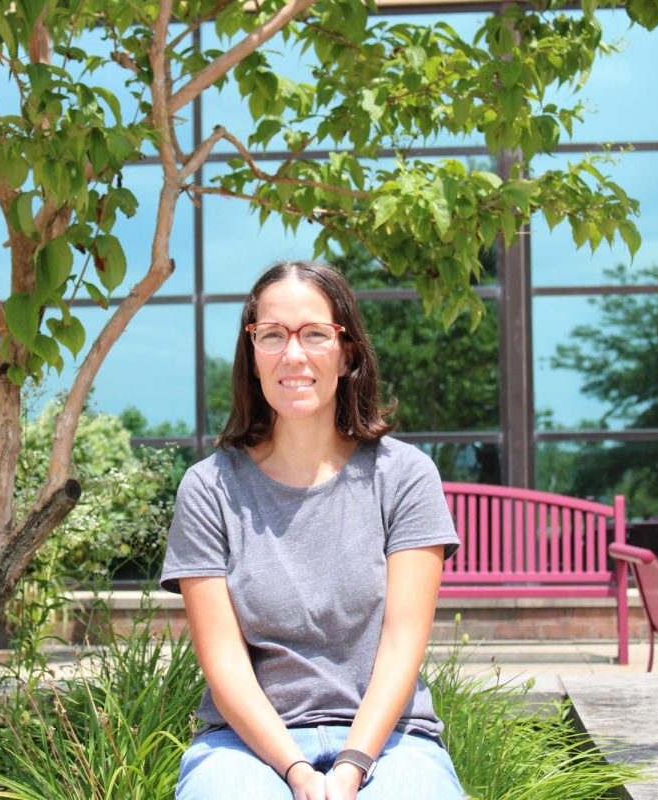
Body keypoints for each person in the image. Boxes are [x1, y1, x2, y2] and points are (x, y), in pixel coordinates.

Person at [160, 260, 464, 800]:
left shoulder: (404, 476)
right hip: (247, 745)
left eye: (315, 334)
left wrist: (350, 766)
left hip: (390, 740)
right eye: (272, 335)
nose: (293, 355)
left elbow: (400, 648)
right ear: (252, 356)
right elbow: (225, 664)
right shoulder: (209, 488)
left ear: (347, 352)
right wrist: (297, 772)